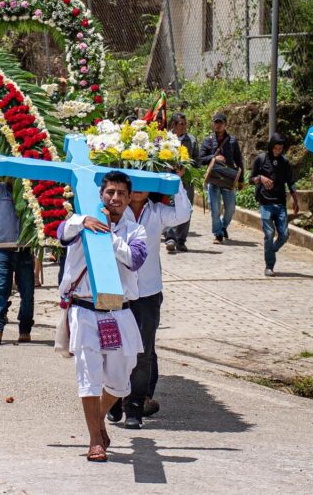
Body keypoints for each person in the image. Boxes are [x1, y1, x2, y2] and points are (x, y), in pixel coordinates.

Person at [57, 170, 147, 462]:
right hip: (84, 311)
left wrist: (109, 235)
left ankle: (98, 421)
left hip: (119, 312)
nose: (115, 198)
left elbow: (135, 260)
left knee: (121, 381)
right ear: (100, 195)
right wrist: (83, 221)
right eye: (110, 192)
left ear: (129, 196)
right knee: (88, 374)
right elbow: (61, 233)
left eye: (121, 193)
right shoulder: (80, 222)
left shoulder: (136, 231)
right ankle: (95, 439)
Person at [107, 167, 191, 429]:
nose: (140, 186)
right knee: (116, 349)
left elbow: (183, 213)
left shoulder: (157, 212)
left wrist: (174, 180)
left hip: (148, 292)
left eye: (146, 179)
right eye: (135, 179)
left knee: (143, 352)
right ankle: (112, 398)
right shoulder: (115, 212)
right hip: (117, 291)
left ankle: (134, 406)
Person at [0, 171, 35, 344]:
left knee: (27, 292)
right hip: (3, 249)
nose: (14, 177)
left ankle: (25, 328)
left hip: (24, 250)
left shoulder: (30, 193)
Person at [250, 133, 300, 277]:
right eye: (276, 148)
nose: (278, 151)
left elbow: (290, 182)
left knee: (284, 234)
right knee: (269, 233)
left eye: (280, 148)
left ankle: (271, 250)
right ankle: (269, 265)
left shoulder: (284, 162)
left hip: (280, 203)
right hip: (265, 203)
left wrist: (295, 200)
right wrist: (261, 178)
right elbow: (251, 179)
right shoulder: (261, 159)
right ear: (271, 147)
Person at [199, 112, 244, 244]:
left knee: (230, 208)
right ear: (213, 123)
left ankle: (223, 226)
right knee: (215, 208)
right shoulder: (208, 141)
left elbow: (239, 160)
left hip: (228, 178)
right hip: (213, 179)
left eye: (221, 122)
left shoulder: (233, 141)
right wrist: (213, 158)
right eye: (216, 122)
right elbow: (200, 159)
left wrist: (241, 180)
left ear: (225, 124)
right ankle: (218, 234)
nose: (218, 125)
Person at [163, 113, 198, 253]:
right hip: (168, 178)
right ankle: (170, 237)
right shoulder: (164, 139)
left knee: (186, 208)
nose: (184, 126)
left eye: (185, 124)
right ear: (173, 124)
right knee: (169, 206)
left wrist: (185, 169)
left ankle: (181, 240)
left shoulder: (192, 141)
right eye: (181, 124)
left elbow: (197, 160)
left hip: (186, 180)